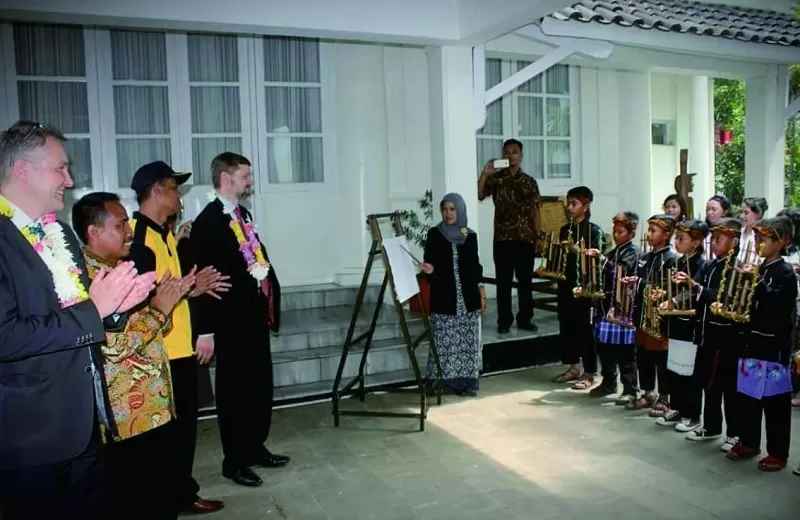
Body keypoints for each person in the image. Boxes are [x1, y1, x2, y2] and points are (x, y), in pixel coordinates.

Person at [0, 120, 152, 519]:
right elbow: (5, 336)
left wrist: (119, 305)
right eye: (60, 168)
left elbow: (83, 313)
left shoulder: (61, 234)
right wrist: (95, 311)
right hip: (27, 438)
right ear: (23, 170)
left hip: (84, 424)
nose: (69, 179)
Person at [72, 192, 194, 519]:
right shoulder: (85, 280)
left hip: (151, 410)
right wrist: (159, 311)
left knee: (159, 498)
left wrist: (160, 311)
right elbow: (110, 345)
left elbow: (143, 330)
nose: (129, 231)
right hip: (126, 418)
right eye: (121, 224)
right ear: (94, 232)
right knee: (136, 502)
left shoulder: (121, 267)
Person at [128, 161, 227, 514]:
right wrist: (190, 288)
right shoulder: (139, 239)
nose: (179, 196)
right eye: (173, 189)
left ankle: (182, 492)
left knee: (185, 431)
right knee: (168, 436)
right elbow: (143, 304)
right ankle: (170, 497)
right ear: (157, 191)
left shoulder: (165, 233)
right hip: (160, 356)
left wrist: (193, 290)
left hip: (180, 348)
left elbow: (175, 291)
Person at [191, 152, 289, 488]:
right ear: (225, 178)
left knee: (259, 387)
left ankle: (254, 445)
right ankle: (235, 460)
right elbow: (203, 282)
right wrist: (205, 331)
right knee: (235, 393)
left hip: (253, 318)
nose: (250, 181)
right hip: (229, 324)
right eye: (245, 175)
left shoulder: (242, 215)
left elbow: (257, 260)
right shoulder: (207, 223)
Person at [727, 216, 796, 472]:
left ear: (783, 242)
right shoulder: (761, 267)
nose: (758, 244)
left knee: (775, 400)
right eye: (756, 239)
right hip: (751, 341)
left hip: (774, 345)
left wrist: (754, 280)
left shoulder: (785, 272)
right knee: (748, 395)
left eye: (764, 240)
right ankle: (750, 441)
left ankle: (778, 451)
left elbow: (777, 305)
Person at [683, 218, 743, 450]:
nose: (714, 243)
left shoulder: (736, 267)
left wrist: (697, 289)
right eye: (713, 239)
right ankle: (711, 427)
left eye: (719, 239)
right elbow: (698, 290)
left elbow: (725, 299)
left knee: (729, 386)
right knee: (709, 383)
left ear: (734, 241)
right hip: (707, 334)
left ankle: (735, 433)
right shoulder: (710, 265)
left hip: (727, 336)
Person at [419, 193, 486, 396]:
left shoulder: (470, 235)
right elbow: (430, 264)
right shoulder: (434, 234)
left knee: (466, 343)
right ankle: (441, 382)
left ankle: (464, 383)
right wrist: (430, 270)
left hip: (467, 298)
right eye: (445, 209)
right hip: (444, 296)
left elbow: (475, 266)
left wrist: (481, 290)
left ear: (460, 210)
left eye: (452, 209)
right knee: (443, 343)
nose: (448, 213)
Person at [477, 139, 541, 334]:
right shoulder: (496, 179)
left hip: (525, 239)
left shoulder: (529, 181)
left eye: (514, 152)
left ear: (521, 156)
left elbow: (535, 211)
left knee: (525, 282)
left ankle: (525, 319)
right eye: (507, 152)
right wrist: (485, 173)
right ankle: (504, 320)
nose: (510, 155)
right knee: (503, 282)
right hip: (503, 239)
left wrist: (539, 236)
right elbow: (479, 194)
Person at [656, 219, 707, 427]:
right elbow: (669, 285)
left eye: (681, 238)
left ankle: (692, 415)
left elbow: (692, 289)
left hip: (690, 324)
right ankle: (677, 408)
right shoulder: (676, 261)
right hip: (675, 322)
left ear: (696, 242)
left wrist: (675, 300)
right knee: (674, 369)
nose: (677, 242)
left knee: (689, 372)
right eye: (676, 238)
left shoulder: (702, 264)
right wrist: (661, 294)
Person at [624, 214, 676, 412]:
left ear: (666, 234)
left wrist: (638, 283)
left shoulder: (670, 260)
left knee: (660, 359)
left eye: (654, 231)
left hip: (659, 318)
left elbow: (664, 287)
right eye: (649, 230)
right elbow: (639, 282)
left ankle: (664, 397)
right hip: (641, 314)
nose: (649, 234)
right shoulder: (645, 258)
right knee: (643, 355)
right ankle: (648, 393)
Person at [551, 186, 603, 388]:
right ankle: (574, 366)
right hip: (566, 284)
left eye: (574, 204)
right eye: (568, 203)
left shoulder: (594, 230)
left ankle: (590, 372)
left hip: (586, 287)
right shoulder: (566, 229)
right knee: (567, 326)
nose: (569, 208)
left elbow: (597, 256)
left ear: (586, 205)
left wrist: (576, 250)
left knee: (585, 329)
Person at [590, 212, 641, 402]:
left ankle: (630, 388)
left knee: (625, 351)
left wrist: (603, 261)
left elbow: (621, 271)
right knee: (605, 348)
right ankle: (608, 382)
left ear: (631, 232)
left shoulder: (633, 253)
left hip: (623, 308)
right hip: (606, 307)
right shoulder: (613, 252)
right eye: (615, 231)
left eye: (620, 231)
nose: (616, 234)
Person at [738, 197, 768, 262]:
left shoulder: (763, 236)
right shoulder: (738, 232)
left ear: (759, 214)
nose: (742, 216)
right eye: (741, 212)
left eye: (746, 213)